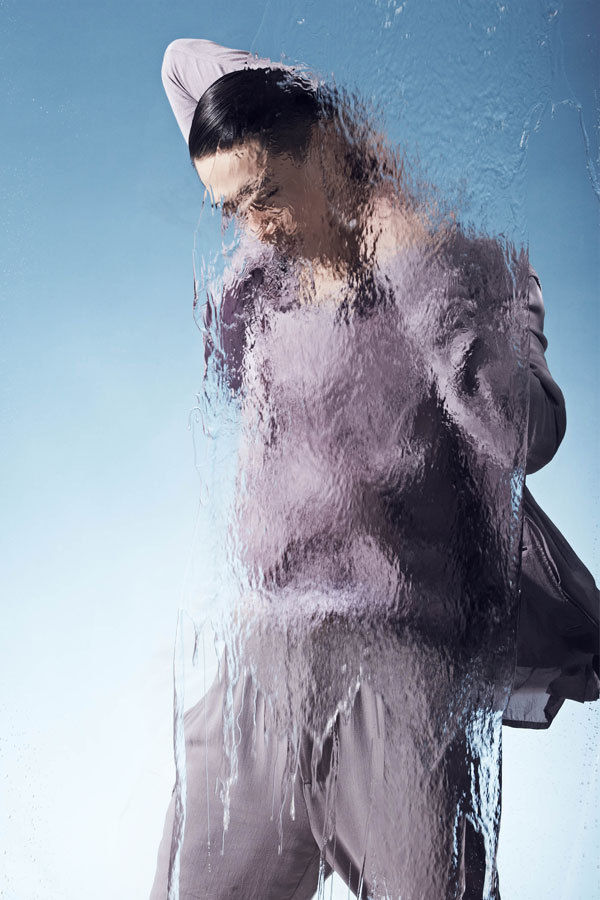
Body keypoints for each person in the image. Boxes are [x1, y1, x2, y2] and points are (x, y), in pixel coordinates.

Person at [150, 38, 599, 900]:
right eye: (231, 209)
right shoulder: (266, 283)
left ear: (323, 156)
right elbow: (182, 63)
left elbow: (528, 437)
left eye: (266, 196)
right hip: (259, 666)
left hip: (396, 677)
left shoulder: (470, 267)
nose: (253, 230)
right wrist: (330, 124)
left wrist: (413, 256)